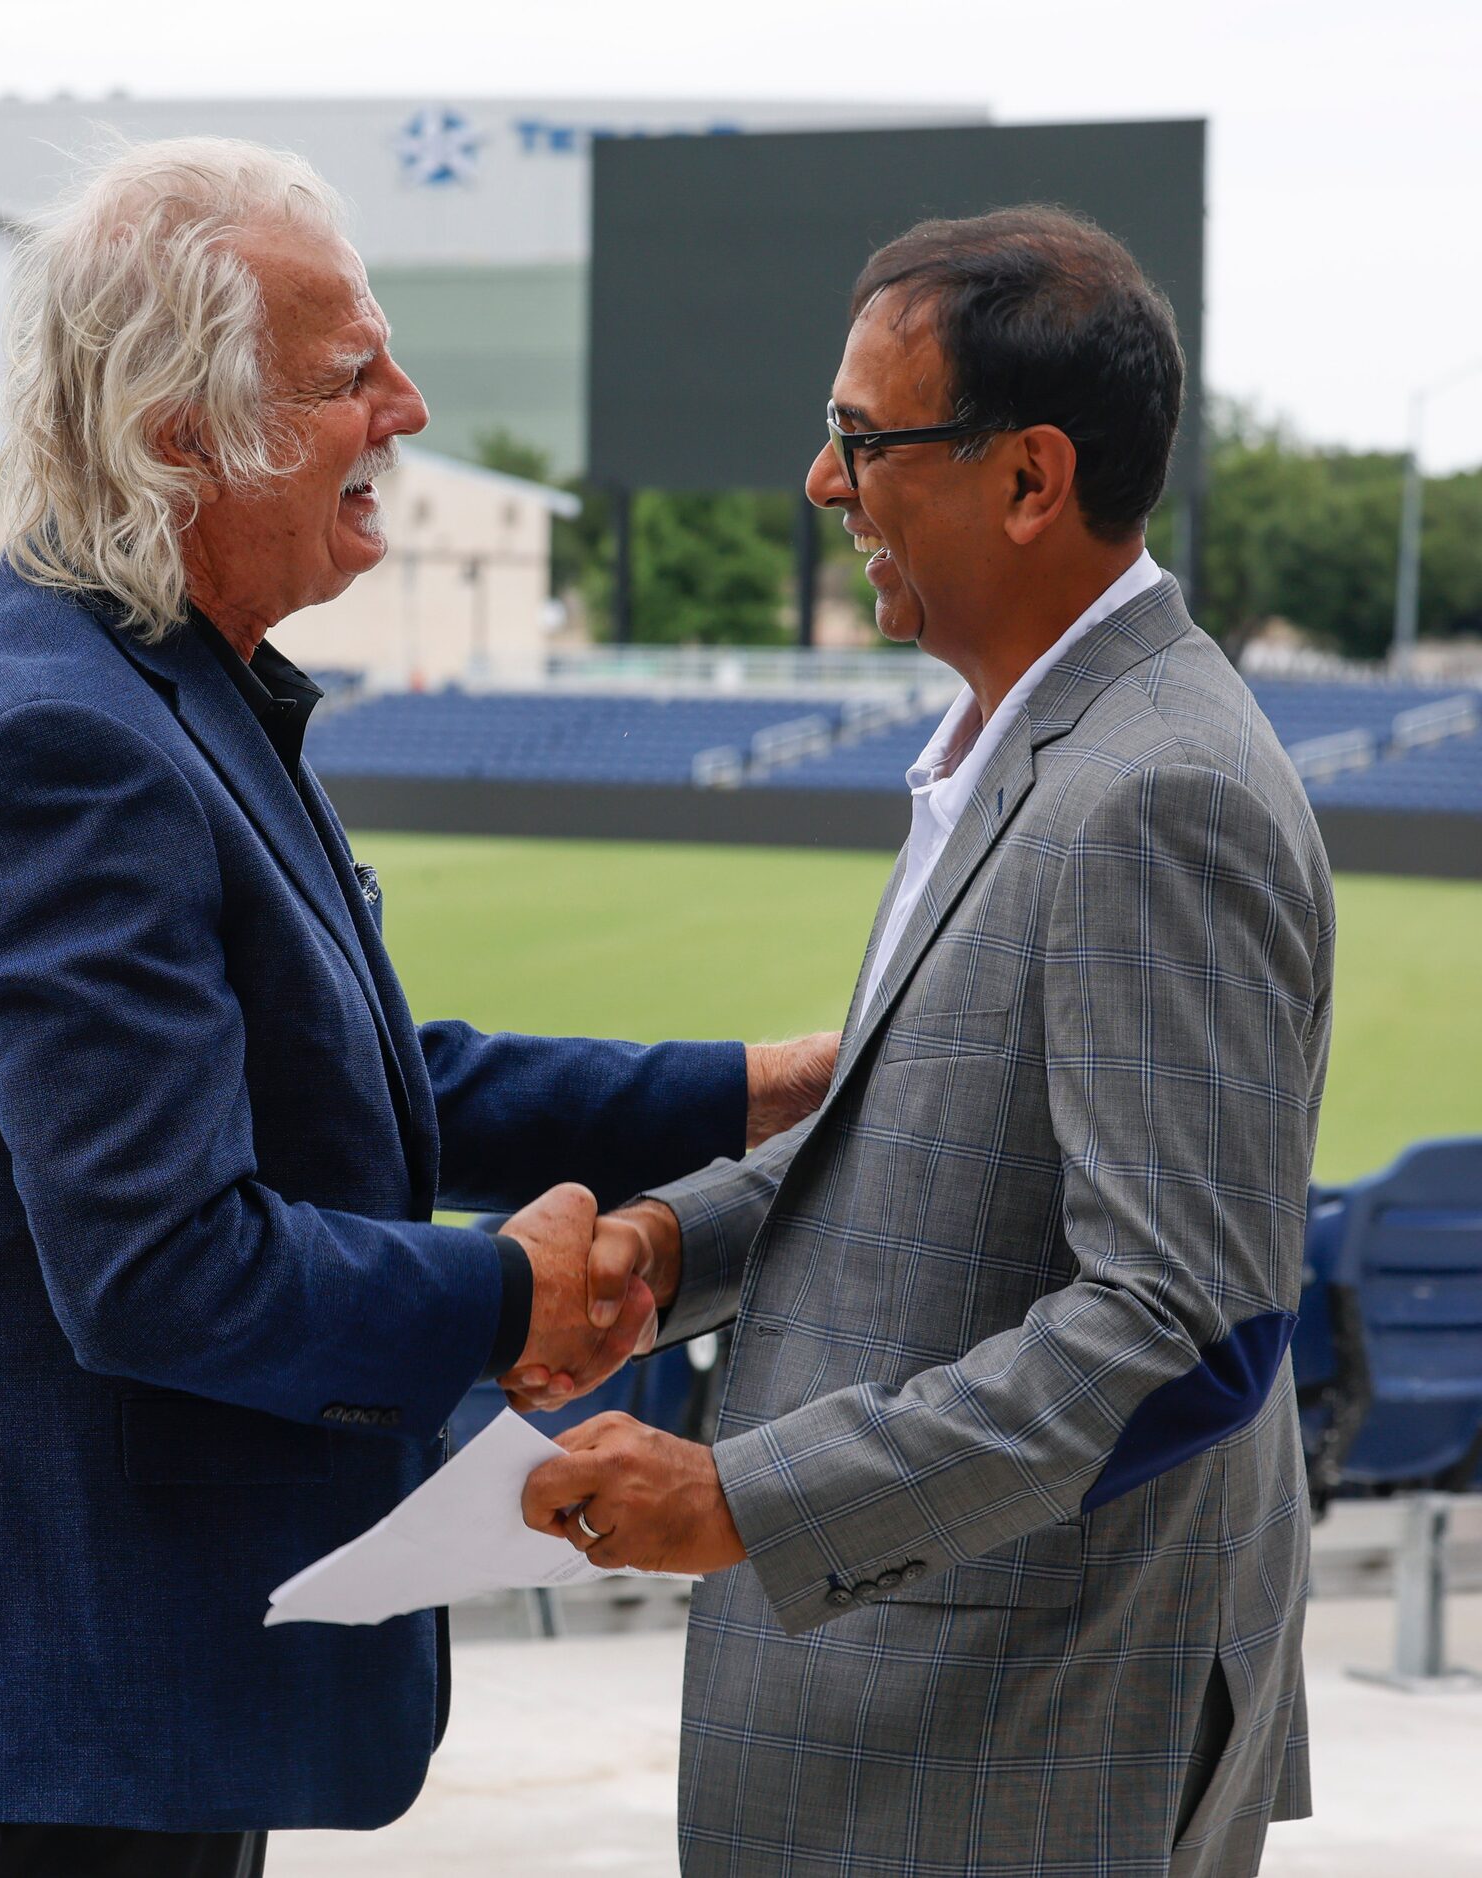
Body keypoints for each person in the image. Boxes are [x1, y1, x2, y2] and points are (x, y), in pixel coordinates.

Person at [0, 137, 837, 1877]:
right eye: (352, 374)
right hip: (75, 1697)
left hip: (132, 1685)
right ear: (175, 433)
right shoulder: (55, 740)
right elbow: (163, 1263)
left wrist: (739, 1089)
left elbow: (358, 1081)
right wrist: (515, 1287)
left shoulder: (150, 677)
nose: (413, 408)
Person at [513, 206, 1332, 1877]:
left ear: (1029, 480)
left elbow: (1176, 1331)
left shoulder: (1151, 793)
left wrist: (745, 1500)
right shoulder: (1030, 739)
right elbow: (932, 1139)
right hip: (946, 1731)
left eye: (859, 440)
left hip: (1015, 1750)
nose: (823, 484)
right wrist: (673, 1247)